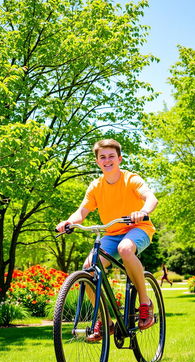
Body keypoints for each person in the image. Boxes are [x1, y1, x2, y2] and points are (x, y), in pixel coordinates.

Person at [56, 139, 158, 341]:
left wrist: (143, 211)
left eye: (111, 156)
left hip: (138, 228)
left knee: (126, 249)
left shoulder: (131, 179)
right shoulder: (95, 186)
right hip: (111, 234)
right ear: (97, 162)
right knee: (88, 267)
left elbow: (151, 198)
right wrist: (69, 221)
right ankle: (106, 321)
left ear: (119, 159)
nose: (107, 160)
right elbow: (82, 212)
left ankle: (145, 303)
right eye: (102, 157)